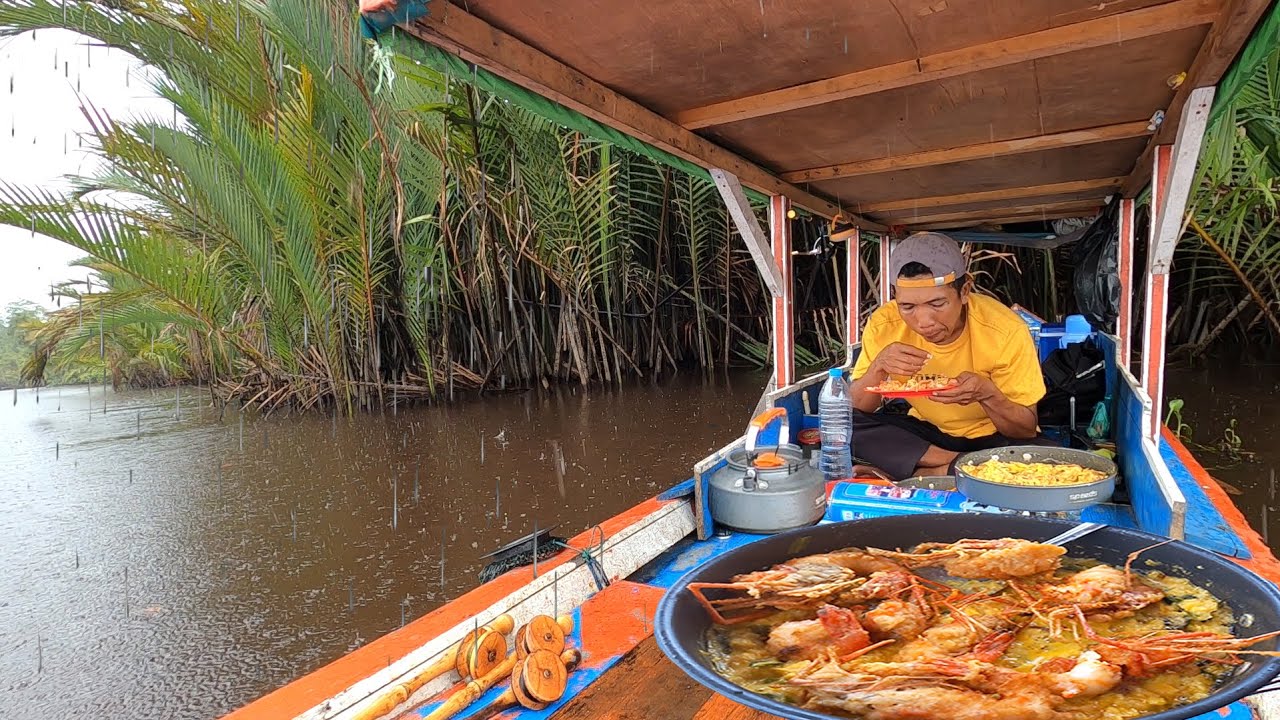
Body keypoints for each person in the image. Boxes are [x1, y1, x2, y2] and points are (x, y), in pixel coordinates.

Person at [849, 232, 1048, 480]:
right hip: (927, 435)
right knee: (841, 427)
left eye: (937, 304)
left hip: (993, 437)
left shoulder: (1005, 330)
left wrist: (988, 394)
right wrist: (878, 367)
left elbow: (1025, 430)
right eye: (907, 307)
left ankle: (927, 472)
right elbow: (856, 408)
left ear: (964, 291)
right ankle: (964, 467)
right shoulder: (884, 324)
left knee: (1043, 456)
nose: (923, 322)